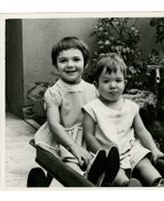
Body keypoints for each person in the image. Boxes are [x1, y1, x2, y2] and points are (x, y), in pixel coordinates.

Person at [82, 53, 164, 187]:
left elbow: (141, 130)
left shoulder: (131, 107)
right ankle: (126, 184)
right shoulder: (92, 108)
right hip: (109, 154)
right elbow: (88, 135)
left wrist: (154, 149)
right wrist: (102, 155)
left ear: (125, 83)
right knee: (115, 170)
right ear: (96, 85)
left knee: (143, 160)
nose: (113, 85)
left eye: (118, 80)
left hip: (130, 148)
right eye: (106, 81)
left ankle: (159, 182)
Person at [34, 37, 119, 186]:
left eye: (76, 60)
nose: (70, 65)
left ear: (85, 64)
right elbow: (54, 125)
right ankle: (83, 179)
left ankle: (114, 179)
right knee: (70, 161)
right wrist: (74, 147)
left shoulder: (92, 89)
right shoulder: (54, 92)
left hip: (88, 137)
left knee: (104, 154)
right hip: (63, 139)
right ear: (55, 66)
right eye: (63, 61)